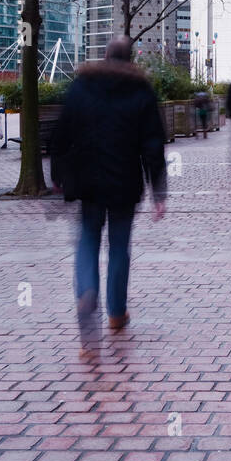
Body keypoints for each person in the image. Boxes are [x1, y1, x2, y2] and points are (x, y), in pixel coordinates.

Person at [50, 37, 167, 348]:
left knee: (87, 240)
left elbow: (60, 134)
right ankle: (116, 313)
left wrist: (58, 175)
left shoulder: (81, 86)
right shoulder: (141, 91)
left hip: (87, 181)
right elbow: (153, 144)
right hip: (124, 182)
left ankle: (87, 291)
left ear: (104, 56)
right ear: (131, 59)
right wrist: (159, 191)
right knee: (119, 247)